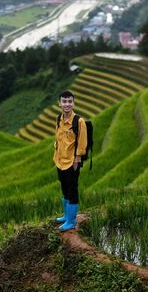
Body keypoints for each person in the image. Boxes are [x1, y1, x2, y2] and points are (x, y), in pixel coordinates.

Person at [54, 90, 87, 231]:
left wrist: (77, 159)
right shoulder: (58, 119)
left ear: (73, 103)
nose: (67, 104)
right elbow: (58, 138)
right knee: (64, 188)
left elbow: (82, 142)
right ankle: (66, 216)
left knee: (72, 190)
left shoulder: (78, 121)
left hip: (71, 162)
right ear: (60, 103)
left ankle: (71, 221)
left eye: (69, 101)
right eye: (64, 101)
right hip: (59, 160)